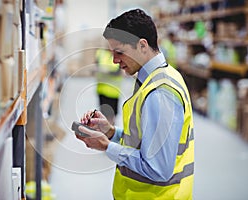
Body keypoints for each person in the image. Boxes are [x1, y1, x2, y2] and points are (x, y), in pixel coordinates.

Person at [75, 8, 194, 200]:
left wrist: (107, 146)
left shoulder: (160, 92)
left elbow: (158, 168)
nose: (114, 60)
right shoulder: (158, 78)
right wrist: (112, 132)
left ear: (142, 46)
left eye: (119, 52)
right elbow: (146, 142)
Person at [95, 48, 123, 125]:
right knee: (103, 115)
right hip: (102, 90)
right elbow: (96, 67)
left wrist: (105, 71)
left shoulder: (119, 55)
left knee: (112, 116)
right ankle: (105, 133)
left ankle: (111, 133)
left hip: (113, 92)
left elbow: (118, 72)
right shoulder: (100, 53)